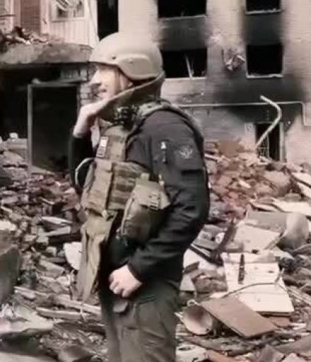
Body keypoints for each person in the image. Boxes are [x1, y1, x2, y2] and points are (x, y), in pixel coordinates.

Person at [68, 33, 210, 362]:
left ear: (132, 71)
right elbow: (86, 186)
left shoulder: (165, 127)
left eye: (105, 70)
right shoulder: (123, 127)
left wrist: (138, 269)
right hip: (116, 278)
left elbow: (192, 208)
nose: (95, 80)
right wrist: (80, 132)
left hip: (145, 285)